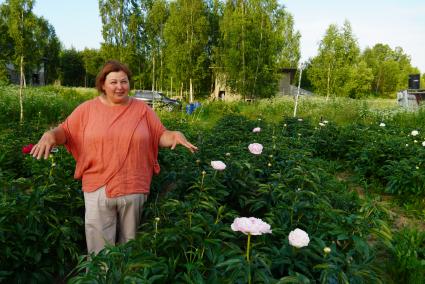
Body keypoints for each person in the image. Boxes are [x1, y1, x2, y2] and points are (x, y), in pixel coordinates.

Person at [30, 60, 198, 254]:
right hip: (97, 188)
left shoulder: (143, 110)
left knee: (130, 246)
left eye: (124, 82)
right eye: (114, 82)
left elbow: (160, 134)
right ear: (103, 84)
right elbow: (65, 131)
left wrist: (174, 135)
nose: (120, 87)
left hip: (134, 186)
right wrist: (50, 135)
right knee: (99, 251)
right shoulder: (87, 109)